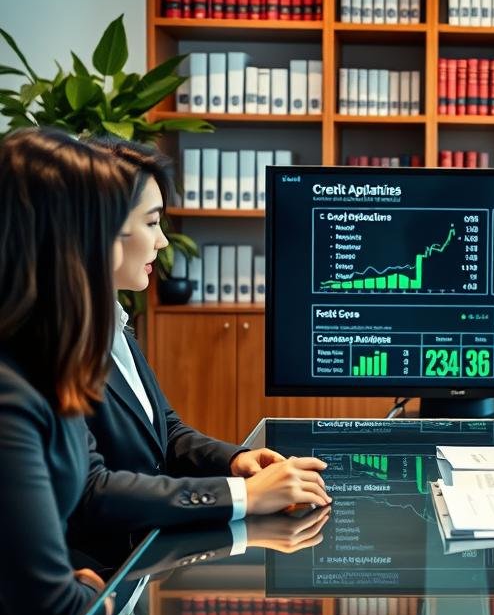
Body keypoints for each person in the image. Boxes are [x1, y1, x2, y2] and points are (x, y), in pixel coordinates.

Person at [66, 138, 330, 569]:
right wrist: (246, 496)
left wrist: (236, 460)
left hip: (142, 560)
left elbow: (165, 432)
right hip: (97, 581)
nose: (162, 242)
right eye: (151, 223)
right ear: (100, 228)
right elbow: (92, 488)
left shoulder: (111, 319)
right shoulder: (56, 341)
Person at [0, 128, 136, 615]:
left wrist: (76, 589)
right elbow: (54, 608)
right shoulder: (11, 394)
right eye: (110, 233)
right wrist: (94, 594)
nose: (120, 252)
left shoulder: (46, 365)